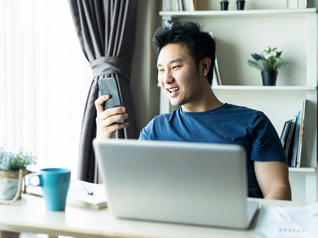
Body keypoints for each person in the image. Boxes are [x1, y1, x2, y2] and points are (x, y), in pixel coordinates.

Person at [95, 21, 291, 200]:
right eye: (161, 70)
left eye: (176, 67)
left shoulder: (253, 123)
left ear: (204, 66)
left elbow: (278, 191)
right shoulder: (155, 129)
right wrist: (103, 136)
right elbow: (127, 190)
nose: (166, 79)